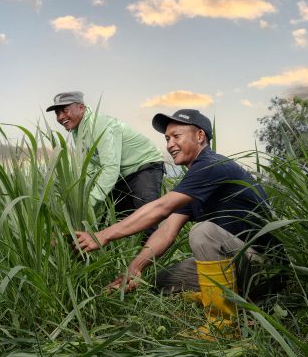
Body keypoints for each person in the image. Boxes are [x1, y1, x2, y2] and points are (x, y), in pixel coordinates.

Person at [74, 108, 279, 338]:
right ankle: (234, 296)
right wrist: (135, 270)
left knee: (203, 232)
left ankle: (222, 324)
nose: (170, 144)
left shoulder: (211, 165)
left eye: (176, 136)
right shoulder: (193, 182)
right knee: (158, 282)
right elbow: (167, 231)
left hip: (263, 265)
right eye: (167, 139)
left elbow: (160, 209)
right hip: (236, 259)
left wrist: (102, 235)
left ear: (200, 136)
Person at [47, 91, 165, 232]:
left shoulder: (99, 124)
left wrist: (89, 202)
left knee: (146, 219)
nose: (60, 117)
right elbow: (89, 169)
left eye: (65, 110)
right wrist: (82, 201)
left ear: (81, 108)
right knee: (110, 221)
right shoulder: (77, 132)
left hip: (144, 166)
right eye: (57, 113)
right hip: (122, 175)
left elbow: (110, 168)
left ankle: (153, 253)